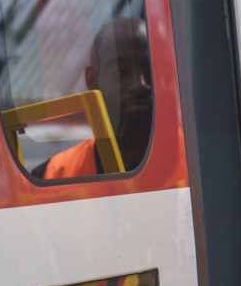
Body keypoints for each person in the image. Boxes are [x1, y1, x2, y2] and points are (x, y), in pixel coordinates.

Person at [36, 16, 155, 181]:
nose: (141, 84)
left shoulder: (190, 158)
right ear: (91, 80)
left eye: (150, 70)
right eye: (120, 72)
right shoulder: (53, 177)